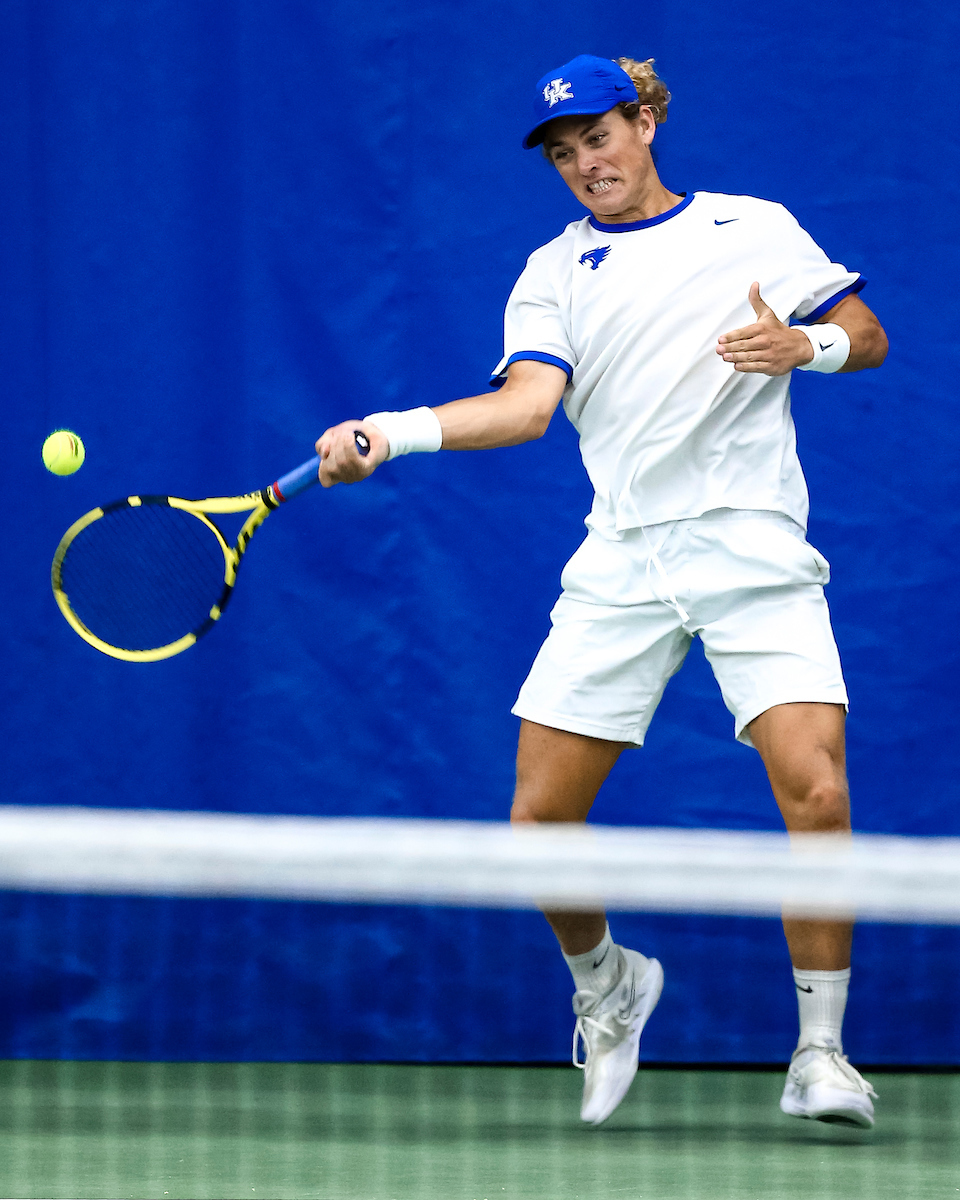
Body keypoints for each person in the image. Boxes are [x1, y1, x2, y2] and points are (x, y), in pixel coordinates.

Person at [316, 54, 888, 1129]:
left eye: (600, 136)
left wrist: (800, 343)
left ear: (647, 120)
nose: (586, 163)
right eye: (565, 152)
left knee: (815, 788)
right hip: (622, 557)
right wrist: (389, 435)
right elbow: (529, 406)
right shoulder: (552, 272)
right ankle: (608, 985)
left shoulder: (751, 228)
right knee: (540, 818)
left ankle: (822, 1054)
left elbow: (866, 336)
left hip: (749, 544)